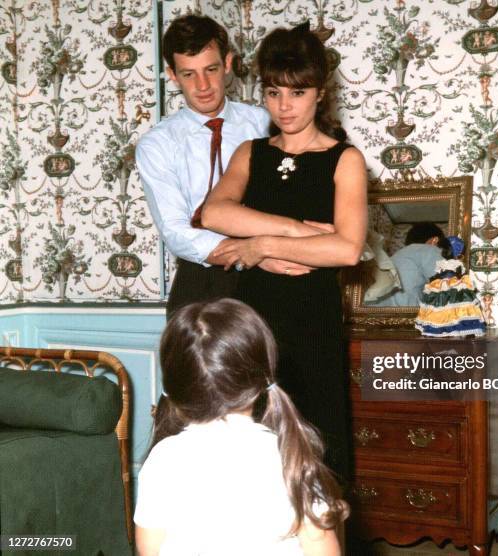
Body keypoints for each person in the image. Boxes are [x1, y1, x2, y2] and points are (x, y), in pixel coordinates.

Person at [201, 23, 368, 480]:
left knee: (316, 449)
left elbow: (348, 250)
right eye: (273, 93)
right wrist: (298, 233)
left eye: (297, 93)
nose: (284, 106)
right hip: (255, 321)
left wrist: (259, 245)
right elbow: (213, 213)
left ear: (320, 92)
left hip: (313, 322)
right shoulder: (250, 153)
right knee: (255, 449)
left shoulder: (344, 159)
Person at [134, 299, 349, 556]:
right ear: (260, 381)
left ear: (172, 388)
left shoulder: (162, 459)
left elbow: (149, 550)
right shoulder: (288, 455)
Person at [135, 15, 311, 318]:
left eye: (211, 69)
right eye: (188, 75)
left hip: (276, 270)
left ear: (228, 63)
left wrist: (271, 249)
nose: (202, 86)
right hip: (203, 277)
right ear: (172, 75)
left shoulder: (264, 123)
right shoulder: (157, 145)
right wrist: (251, 254)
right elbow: (176, 231)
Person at [416, 236, 486, 337]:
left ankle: (453, 328)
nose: (440, 250)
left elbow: (453, 273)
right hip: (446, 285)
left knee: (452, 309)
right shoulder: (444, 263)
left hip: (451, 286)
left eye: (442, 248)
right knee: (445, 309)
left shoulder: (453, 263)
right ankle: (446, 328)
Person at [368, 222, 449, 307]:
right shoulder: (430, 250)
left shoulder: (393, 258)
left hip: (370, 314)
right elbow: (447, 285)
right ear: (435, 240)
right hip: (405, 316)